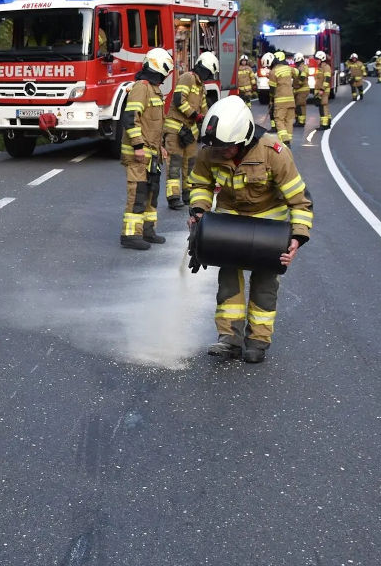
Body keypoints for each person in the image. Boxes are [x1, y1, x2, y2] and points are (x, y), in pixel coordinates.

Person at [186, 96, 313, 364]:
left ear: (243, 138)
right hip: (230, 223)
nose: (220, 153)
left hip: (269, 228)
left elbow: (300, 201)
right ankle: (229, 340)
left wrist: (297, 237)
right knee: (228, 281)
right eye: (216, 148)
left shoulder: (273, 153)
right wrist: (198, 210)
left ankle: (257, 341)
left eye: (226, 148)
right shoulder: (211, 150)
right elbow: (200, 184)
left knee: (265, 285)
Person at [120, 47, 173, 250]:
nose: (166, 75)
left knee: (152, 191)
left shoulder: (154, 90)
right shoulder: (141, 88)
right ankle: (131, 235)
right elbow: (130, 118)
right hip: (138, 154)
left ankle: (148, 231)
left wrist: (160, 147)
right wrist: (139, 147)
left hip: (152, 154)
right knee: (138, 192)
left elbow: (153, 125)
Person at [163, 58, 204, 210]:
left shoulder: (201, 86)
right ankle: (173, 197)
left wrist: (207, 121)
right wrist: (195, 115)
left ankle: (188, 194)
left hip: (190, 132)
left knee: (191, 164)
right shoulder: (188, 77)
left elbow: (204, 108)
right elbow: (179, 100)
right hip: (175, 129)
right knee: (174, 163)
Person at [268, 51, 298, 146]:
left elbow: (272, 89)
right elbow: (299, 73)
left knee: (279, 120)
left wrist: (271, 100)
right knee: (289, 120)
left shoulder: (273, 72)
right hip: (291, 100)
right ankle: (288, 141)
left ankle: (285, 141)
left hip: (280, 101)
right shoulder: (289, 68)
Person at [312, 50, 333, 129]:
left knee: (323, 106)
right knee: (324, 106)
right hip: (320, 90)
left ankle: (324, 125)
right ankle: (327, 122)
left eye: (317, 59)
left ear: (321, 59)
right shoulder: (320, 68)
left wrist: (322, 89)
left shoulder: (326, 67)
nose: (316, 61)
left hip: (323, 91)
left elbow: (327, 79)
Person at [292, 53, 310, 130]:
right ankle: (297, 120)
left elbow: (302, 78)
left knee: (300, 104)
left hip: (302, 89)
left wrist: (297, 84)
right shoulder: (298, 67)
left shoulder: (304, 67)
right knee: (296, 105)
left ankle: (301, 122)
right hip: (297, 89)